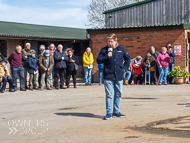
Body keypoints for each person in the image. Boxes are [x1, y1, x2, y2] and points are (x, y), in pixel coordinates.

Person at [97, 33, 131, 120]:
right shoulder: (104, 50)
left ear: (116, 41)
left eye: (111, 41)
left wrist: (125, 69)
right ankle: (109, 113)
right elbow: (98, 60)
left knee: (118, 94)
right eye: (108, 41)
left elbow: (128, 58)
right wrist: (106, 56)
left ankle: (116, 111)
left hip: (119, 75)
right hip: (108, 75)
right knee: (109, 95)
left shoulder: (121, 49)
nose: (109, 43)